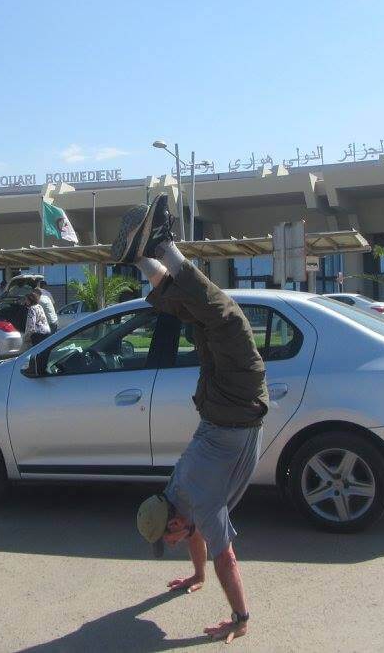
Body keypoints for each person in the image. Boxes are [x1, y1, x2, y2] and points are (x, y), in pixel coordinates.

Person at [118, 194, 268, 644]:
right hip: (216, 406)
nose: (172, 544)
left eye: (168, 540)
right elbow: (197, 536)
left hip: (236, 403)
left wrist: (239, 617)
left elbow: (227, 557)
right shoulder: (176, 495)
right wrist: (197, 576)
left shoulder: (197, 500)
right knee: (198, 317)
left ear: (174, 522)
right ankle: (142, 259)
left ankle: (161, 247)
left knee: (225, 318)